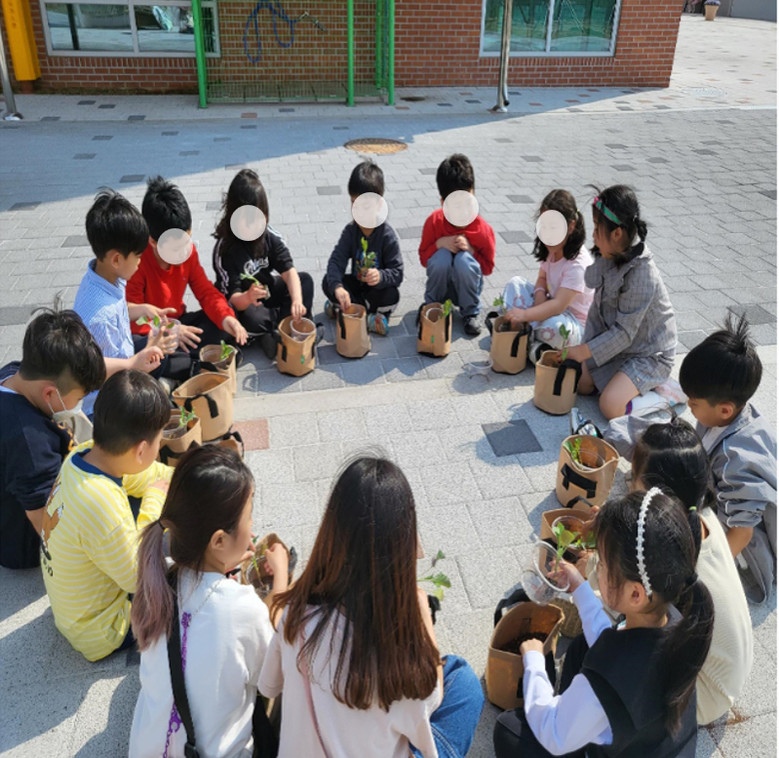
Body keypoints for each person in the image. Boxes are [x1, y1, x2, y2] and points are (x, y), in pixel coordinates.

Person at [259, 456, 484, 758]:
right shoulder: (402, 668)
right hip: (402, 707)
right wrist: (422, 615)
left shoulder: (296, 616)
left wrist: (281, 577)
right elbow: (434, 695)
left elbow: (268, 687)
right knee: (464, 679)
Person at [494, 489, 714, 758]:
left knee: (508, 729)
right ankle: (574, 715)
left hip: (600, 734)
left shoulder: (609, 681)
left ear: (635, 594)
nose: (596, 567)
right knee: (581, 647)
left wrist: (534, 661)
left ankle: (572, 718)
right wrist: (579, 586)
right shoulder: (673, 621)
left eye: (602, 564)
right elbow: (609, 640)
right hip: (646, 743)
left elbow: (553, 735)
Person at [129, 445, 289, 758]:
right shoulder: (243, 607)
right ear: (218, 540)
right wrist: (281, 579)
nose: (252, 526)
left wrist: (221, 567)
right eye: (248, 517)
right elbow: (272, 680)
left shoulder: (157, 581)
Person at [40, 369, 172, 661]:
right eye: (159, 441)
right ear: (141, 449)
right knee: (180, 581)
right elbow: (138, 578)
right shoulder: (100, 502)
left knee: (141, 502)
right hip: (100, 629)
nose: (160, 446)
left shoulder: (84, 455)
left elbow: (145, 475)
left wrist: (180, 479)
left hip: (73, 608)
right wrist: (155, 501)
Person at [630, 419, 753, 725]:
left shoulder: (666, 550)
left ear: (658, 497)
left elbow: (620, 595)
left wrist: (590, 569)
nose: (629, 487)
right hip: (727, 676)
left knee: (610, 632)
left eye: (633, 479)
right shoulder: (700, 514)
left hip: (701, 697)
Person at [680, 313, 777, 603]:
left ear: (724, 410)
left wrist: (703, 573)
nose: (689, 407)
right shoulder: (728, 415)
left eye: (693, 403)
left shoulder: (735, 460)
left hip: (748, 542)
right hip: (726, 500)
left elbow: (743, 533)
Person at [0, 309, 105, 569]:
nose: (77, 405)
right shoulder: (30, 442)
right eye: (78, 398)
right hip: (23, 545)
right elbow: (44, 520)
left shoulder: (13, 373)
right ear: (49, 394)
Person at [562, 186, 676, 420]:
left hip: (648, 353)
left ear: (617, 233)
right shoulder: (611, 253)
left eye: (597, 228)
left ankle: (667, 395)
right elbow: (592, 286)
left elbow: (624, 333)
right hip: (619, 347)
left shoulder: (642, 274)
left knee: (610, 406)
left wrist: (582, 351)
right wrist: (595, 254)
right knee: (581, 384)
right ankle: (624, 384)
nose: (593, 235)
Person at [127, 176, 248, 381]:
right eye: (176, 248)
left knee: (226, 315)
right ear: (153, 242)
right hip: (153, 334)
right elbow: (134, 321)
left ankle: (187, 368)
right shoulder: (136, 262)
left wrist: (226, 318)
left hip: (179, 323)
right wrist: (171, 332)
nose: (184, 251)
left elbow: (205, 291)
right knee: (141, 350)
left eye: (187, 240)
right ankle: (190, 366)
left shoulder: (187, 252)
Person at [74, 189, 165, 417]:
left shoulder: (103, 275)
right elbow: (92, 369)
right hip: (107, 407)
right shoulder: (100, 319)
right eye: (138, 256)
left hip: (122, 369)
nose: (140, 262)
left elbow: (117, 307)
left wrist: (140, 309)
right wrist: (134, 364)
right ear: (116, 259)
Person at [212, 169, 314, 359]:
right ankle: (282, 328)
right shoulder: (225, 249)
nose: (254, 229)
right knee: (249, 318)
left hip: (266, 291)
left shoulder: (269, 235)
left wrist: (297, 301)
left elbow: (288, 271)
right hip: (245, 304)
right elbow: (233, 299)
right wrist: (247, 297)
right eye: (247, 223)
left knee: (305, 281)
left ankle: (276, 331)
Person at [500, 189, 593, 363]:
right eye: (544, 226)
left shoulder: (578, 264)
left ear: (571, 226)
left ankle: (529, 339)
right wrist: (539, 296)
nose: (547, 234)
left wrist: (526, 315)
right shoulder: (552, 249)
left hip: (572, 322)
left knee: (555, 328)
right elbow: (542, 279)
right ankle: (535, 344)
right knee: (515, 284)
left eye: (554, 228)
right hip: (548, 305)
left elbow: (558, 306)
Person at [322, 161, 404, 336]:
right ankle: (363, 316)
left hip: (376, 292)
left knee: (392, 295)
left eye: (365, 206)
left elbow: (397, 273)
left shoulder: (387, 235)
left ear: (379, 205)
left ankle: (346, 311)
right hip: (356, 288)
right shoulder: (351, 231)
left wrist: (381, 276)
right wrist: (338, 288)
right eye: (353, 203)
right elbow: (336, 261)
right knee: (328, 281)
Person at [418, 153, 496, 336]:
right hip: (441, 286)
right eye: (456, 206)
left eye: (469, 202)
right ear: (443, 203)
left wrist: (472, 251)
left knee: (463, 260)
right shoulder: (434, 222)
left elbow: (487, 268)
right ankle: (432, 306)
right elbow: (423, 259)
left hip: (467, 288)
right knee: (442, 257)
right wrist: (438, 244)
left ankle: (471, 313)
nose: (464, 211)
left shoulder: (482, 229)